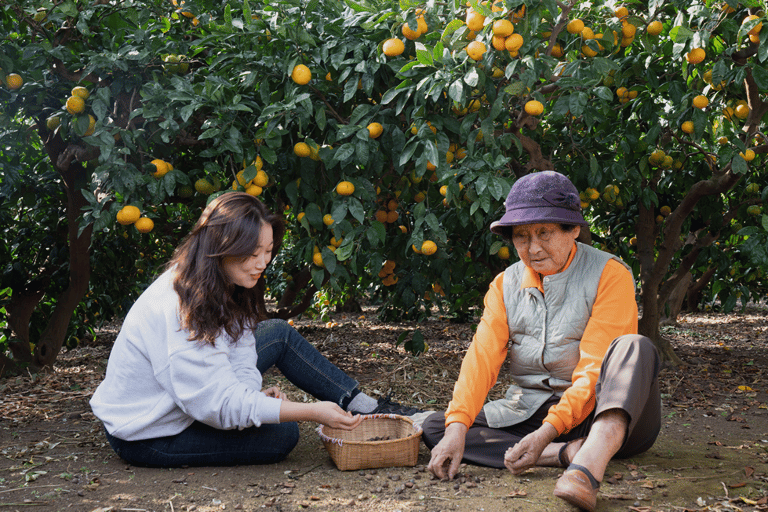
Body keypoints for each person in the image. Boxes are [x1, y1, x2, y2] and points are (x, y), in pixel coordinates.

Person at [90, 191, 420, 468]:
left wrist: (250, 394)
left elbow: (242, 352)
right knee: (283, 434)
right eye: (252, 253)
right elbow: (217, 405)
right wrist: (308, 411)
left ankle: (365, 405)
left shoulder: (225, 282)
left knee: (276, 333)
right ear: (221, 247)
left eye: (267, 251)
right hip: (148, 433)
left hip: (187, 397)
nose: (263, 263)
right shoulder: (180, 307)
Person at [422, 171, 661, 511]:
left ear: (574, 230)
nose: (533, 248)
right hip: (535, 411)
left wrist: (548, 430)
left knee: (635, 347)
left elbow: (593, 369)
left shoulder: (610, 273)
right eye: (522, 237)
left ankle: (589, 462)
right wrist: (457, 427)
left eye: (545, 233)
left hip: (603, 413)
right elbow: (482, 358)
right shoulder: (505, 285)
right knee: (439, 426)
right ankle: (563, 454)